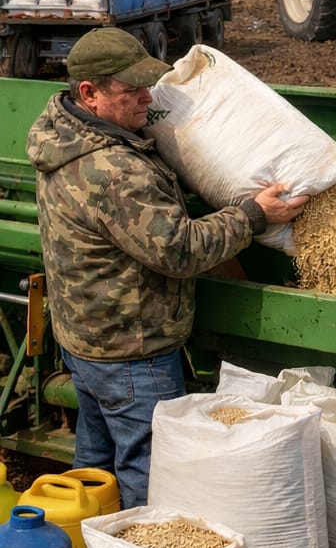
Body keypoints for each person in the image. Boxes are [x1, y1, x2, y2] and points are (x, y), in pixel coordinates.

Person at [25, 27, 308, 507]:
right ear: (90, 94)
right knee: (151, 479)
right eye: (131, 90)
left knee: (93, 472)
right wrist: (255, 215)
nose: (147, 98)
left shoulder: (60, 134)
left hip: (84, 342)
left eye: (146, 85)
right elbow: (181, 251)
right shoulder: (117, 172)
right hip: (133, 354)